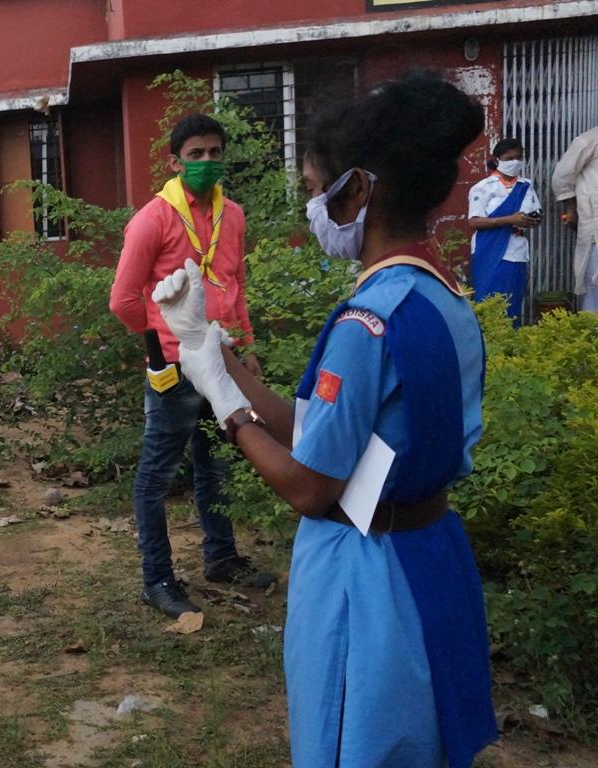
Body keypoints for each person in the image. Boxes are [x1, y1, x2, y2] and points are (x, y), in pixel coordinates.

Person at [153, 72, 497, 767]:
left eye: (316, 188)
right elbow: (323, 426)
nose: (312, 206)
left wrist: (224, 406)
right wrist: (212, 354)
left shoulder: (365, 323)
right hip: (430, 554)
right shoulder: (440, 296)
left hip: (365, 578)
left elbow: (312, 484)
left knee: (354, 741)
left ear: (360, 190)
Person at [109, 113, 275, 619]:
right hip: (176, 368)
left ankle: (221, 558)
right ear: (176, 160)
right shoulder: (153, 218)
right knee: (158, 475)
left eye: (214, 152)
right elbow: (123, 299)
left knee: (216, 465)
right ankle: (156, 578)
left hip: (222, 361)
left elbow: (235, 284)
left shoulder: (235, 216)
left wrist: (245, 343)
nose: (206, 162)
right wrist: (158, 346)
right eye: (196, 154)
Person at [467, 137, 542, 325]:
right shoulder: (483, 188)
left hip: (517, 251)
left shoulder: (526, 186)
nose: (515, 162)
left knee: (513, 301)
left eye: (518, 157)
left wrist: (531, 220)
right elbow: (474, 221)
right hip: (489, 250)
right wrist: (510, 219)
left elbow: (535, 215)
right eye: (509, 158)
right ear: (497, 160)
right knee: (490, 300)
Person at [551, 126, 598, 311]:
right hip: (595, 226)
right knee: (594, 283)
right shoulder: (588, 141)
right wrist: (571, 208)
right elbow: (561, 178)